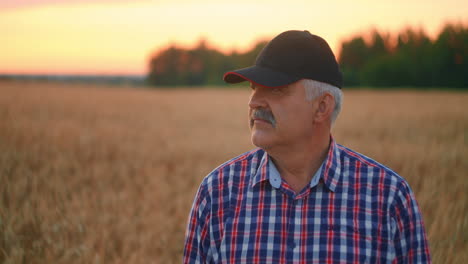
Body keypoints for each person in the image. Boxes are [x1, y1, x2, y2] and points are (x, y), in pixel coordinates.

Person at [183, 30, 431, 263]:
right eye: (254, 88)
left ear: (322, 107)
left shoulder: (388, 198)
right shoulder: (217, 194)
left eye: (276, 90)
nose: (254, 101)